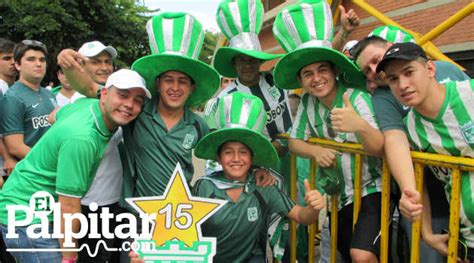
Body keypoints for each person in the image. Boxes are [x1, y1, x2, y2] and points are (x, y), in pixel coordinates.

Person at [130, 92, 325, 262]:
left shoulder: (263, 185)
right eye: (228, 152)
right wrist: (151, 254)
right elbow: (176, 229)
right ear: (218, 157)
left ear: (252, 158)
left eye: (243, 152)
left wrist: (313, 208)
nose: (236, 159)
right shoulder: (203, 188)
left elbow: (301, 216)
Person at [0, 69, 150, 263]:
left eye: (138, 100)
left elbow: (53, 117)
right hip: (27, 216)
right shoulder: (83, 139)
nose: (129, 105)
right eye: (122, 95)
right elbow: (69, 208)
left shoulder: (84, 104)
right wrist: (70, 258)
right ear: (104, 94)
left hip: (38, 206)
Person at [272, 1, 383, 262]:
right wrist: (316, 150)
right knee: (340, 253)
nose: (316, 78)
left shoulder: (356, 98)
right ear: (300, 81)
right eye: (308, 74)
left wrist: (360, 126)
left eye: (322, 69)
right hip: (339, 197)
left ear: (335, 71)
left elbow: (382, 146)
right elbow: (295, 142)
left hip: (374, 191)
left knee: (362, 255)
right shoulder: (309, 102)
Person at [352, 30, 470, 262]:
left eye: (376, 61)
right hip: (443, 207)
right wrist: (411, 196)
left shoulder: (463, 88)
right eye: (367, 70)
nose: (374, 71)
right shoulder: (406, 121)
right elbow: (395, 142)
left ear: (429, 70)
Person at [0, 40, 56, 161]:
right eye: (31, 59)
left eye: (42, 60)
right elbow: (15, 147)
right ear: (18, 65)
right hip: (32, 171)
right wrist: (47, 162)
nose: (38, 64)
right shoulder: (12, 98)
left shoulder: (50, 94)